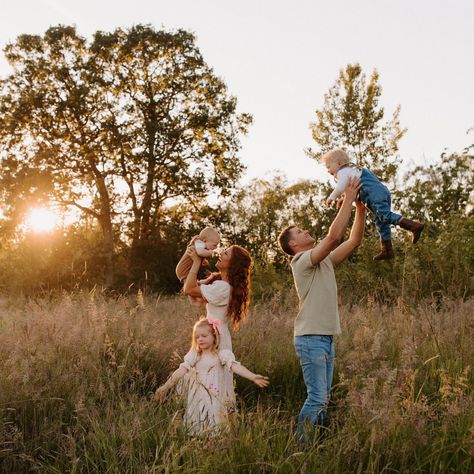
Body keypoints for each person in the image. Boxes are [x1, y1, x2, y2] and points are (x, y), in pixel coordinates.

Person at [278, 177, 366, 445]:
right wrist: (348, 199)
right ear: (294, 245)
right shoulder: (302, 260)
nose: (305, 232)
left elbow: (352, 241)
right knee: (317, 398)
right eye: (300, 232)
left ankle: (317, 444)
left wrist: (360, 209)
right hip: (310, 338)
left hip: (324, 337)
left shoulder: (323, 259)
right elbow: (333, 236)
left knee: (324, 398)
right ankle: (301, 449)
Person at [154, 318, 269, 435]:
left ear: (214, 336)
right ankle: (197, 442)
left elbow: (235, 367)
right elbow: (180, 371)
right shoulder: (195, 355)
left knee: (215, 424)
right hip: (197, 398)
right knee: (198, 422)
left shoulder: (221, 355)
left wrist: (253, 377)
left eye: (204, 336)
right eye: (197, 337)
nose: (200, 339)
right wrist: (166, 386)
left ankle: (215, 443)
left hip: (215, 397)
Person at [321, 148, 424, 260]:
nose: (327, 170)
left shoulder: (342, 171)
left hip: (373, 194)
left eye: (328, 166)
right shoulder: (353, 170)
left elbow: (341, 186)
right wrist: (345, 198)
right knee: (380, 221)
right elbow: (353, 188)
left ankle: (413, 226)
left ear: (339, 163)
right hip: (380, 192)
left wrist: (332, 197)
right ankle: (387, 249)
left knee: (384, 215)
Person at [181, 243, 253, 403]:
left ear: (232, 264)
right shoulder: (220, 284)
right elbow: (196, 299)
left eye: (226, 253)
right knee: (208, 382)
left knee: (211, 383)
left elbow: (189, 290)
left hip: (216, 339)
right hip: (214, 335)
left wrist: (196, 262)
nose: (221, 253)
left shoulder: (223, 288)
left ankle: (211, 420)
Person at [175, 227, 221, 306]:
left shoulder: (201, 245)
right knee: (189, 283)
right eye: (214, 245)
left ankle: (195, 299)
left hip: (185, 268)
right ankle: (194, 301)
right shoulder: (199, 242)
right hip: (183, 268)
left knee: (192, 282)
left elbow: (198, 255)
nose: (215, 247)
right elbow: (200, 252)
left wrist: (203, 260)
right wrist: (211, 252)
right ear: (205, 241)